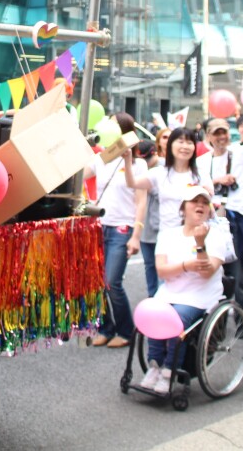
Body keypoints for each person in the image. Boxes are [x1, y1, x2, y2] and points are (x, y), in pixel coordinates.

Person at [139, 186, 232, 395]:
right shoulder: (168, 234)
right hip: (171, 291)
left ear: (209, 210)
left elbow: (207, 272)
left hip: (200, 294)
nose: (199, 205)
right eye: (194, 201)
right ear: (183, 208)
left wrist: (200, 244)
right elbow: (162, 270)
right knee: (153, 313)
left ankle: (169, 370)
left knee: (176, 319)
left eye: (203, 202)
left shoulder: (216, 235)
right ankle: (155, 366)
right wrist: (185, 266)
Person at [84, 113, 147, 348]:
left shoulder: (138, 165)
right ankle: (105, 327)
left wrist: (136, 235)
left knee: (112, 281)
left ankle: (126, 330)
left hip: (123, 227)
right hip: (99, 226)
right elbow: (80, 173)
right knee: (96, 282)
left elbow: (141, 201)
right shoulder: (102, 159)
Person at [197, 117, 243, 313]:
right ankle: (218, 313)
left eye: (224, 132)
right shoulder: (202, 161)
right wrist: (219, 180)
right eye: (216, 133)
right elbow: (199, 187)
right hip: (213, 219)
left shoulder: (239, 153)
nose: (221, 137)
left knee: (240, 271)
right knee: (216, 268)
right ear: (209, 137)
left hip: (237, 217)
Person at [125, 127, 213, 232]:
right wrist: (127, 160)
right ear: (170, 145)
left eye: (189, 143)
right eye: (180, 142)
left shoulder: (201, 174)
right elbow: (132, 183)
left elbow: (210, 198)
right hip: (166, 235)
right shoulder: (160, 173)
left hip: (193, 236)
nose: (185, 146)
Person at [135, 140, 163, 296]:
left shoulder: (163, 168)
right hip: (145, 226)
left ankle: (162, 300)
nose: (145, 164)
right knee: (149, 265)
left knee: (162, 266)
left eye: (147, 161)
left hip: (162, 225)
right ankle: (152, 297)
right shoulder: (140, 168)